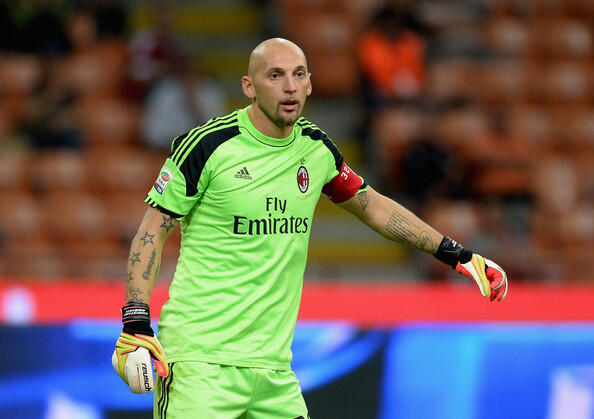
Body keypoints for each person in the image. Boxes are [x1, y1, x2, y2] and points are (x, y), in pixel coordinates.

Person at [112, 38, 508, 418]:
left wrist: (456, 254)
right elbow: (151, 232)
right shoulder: (207, 146)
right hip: (199, 363)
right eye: (275, 75)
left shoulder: (316, 149)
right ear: (249, 87)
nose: (290, 86)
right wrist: (136, 321)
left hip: (274, 370)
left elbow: (373, 207)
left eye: (298, 74)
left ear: (310, 84)